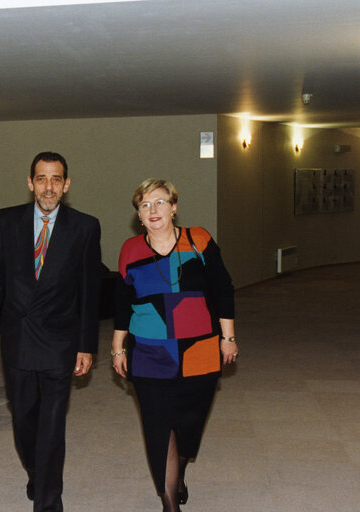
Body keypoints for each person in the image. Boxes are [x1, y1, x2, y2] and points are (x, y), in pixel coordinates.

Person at [0, 151, 101, 512]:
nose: (49, 187)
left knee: (52, 426)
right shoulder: (5, 221)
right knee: (25, 420)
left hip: (60, 341)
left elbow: (90, 293)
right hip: (18, 340)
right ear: (30, 183)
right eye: (41, 179)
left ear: (66, 185)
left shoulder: (85, 227)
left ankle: (48, 500)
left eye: (56, 179)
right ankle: (37, 471)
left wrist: (86, 345)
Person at [111, 179, 237, 512]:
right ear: (138, 214)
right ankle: (169, 504)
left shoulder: (199, 241)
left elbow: (223, 289)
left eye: (160, 202)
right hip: (150, 352)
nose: (153, 210)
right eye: (145, 205)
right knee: (157, 426)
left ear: (174, 207)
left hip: (199, 351)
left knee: (188, 426)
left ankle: (178, 473)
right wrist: (118, 346)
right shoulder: (130, 250)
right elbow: (122, 303)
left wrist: (228, 337)